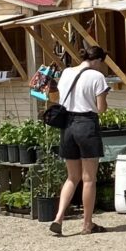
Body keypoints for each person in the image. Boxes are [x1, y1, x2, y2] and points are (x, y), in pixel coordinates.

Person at [49, 45, 110, 236]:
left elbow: (60, 97)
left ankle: (58, 217)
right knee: (89, 179)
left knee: (71, 177)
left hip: (67, 126)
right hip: (87, 125)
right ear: (98, 60)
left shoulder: (67, 72)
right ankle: (87, 224)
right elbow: (101, 108)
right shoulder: (97, 77)